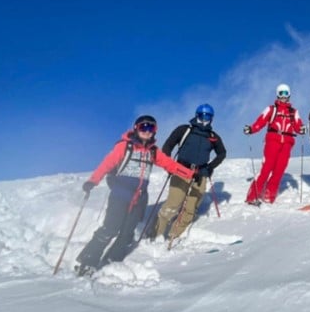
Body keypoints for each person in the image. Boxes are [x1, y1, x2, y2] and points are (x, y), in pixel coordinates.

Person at [75, 115, 189, 276]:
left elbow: (170, 164)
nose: (147, 131)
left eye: (151, 128)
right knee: (110, 228)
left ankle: (111, 262)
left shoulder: (153, 152)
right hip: (120, 195)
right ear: (136, 128)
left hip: (140, 197)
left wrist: (190, 174)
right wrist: (92, 181)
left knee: (127, 233)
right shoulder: (124, 146)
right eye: (144, 127)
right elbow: (107, 163)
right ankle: (87, 262)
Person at [153, 104, 227, 241]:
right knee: (173, 204)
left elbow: (222, 153)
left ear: (212, 118)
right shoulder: (184, 130)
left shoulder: (213, 136)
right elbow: (168, 145)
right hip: (181, 170)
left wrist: (210, 167)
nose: (204, 119)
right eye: (202, 115)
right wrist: (169, 164)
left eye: (208, 116)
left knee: (191, 208)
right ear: (196, 115)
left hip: (201, 174)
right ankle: (157, 233)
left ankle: (174, 236)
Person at [243, 83, 305, 204]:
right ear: (277, 94)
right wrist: (251, 129)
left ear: (289, 95)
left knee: (279, 170)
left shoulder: (293, 112)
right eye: (281, 93)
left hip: (287, 143)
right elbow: (260, 122)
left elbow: (298, 126)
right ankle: (252, 197)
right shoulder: (271, 109)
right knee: (267, 168)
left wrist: (302, 129)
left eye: (286, 93)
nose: (283, 96)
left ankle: (269, 196)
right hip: (273, 141)